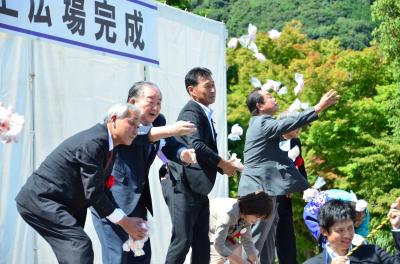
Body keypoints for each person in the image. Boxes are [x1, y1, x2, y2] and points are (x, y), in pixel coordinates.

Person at [15, 103, 147, 264]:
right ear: (114, 119)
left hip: (62, 203)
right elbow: (94, 193)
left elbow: (102, 189)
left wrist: (125, 220)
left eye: (138, 126)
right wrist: (125, 222)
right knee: (79, 247)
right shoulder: (95, 142)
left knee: (75, 251)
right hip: (41, 200)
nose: (136, 130)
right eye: (132, 123)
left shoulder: (110, 144)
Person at [92, 81, 197, 264]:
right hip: (112, 199)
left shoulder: (159, 122)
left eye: (159, 102)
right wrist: (170, 129)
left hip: (139, 201)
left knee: (140, 256)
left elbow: (168, 143)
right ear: (133, 101)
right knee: (117, 257)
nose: (155, 108)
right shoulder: (118, 119)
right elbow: (138, 137)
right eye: (150, 101)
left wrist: (183, 153)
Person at [238, 88, 339, 263]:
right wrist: (318, 107)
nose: (275, 99)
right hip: (258, 192)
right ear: (260, 105)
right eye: (270, 97)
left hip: (267, 192)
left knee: (267, 246)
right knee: (253, 244)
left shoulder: (263, 124)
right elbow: (289, 123)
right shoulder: (262, 123)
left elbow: (279, 154)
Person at [162, 67, 239, 264]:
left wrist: (224, 167)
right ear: (192, 90)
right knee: (183, 240)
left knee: (202, 243)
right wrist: (222, 163)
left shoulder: (203, 112)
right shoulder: (191, 111)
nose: (213, 90)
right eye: (207, 86)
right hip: (182, 184)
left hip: (197, 187)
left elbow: (202, 149)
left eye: (214, 85)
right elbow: (195, 144)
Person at [304, 199, 400, 264]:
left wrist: (397, 228)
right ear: (324, 231)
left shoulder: (373, 252)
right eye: (340, 230)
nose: (347, 235)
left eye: (350, 228)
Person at [275, 118, 308, 264]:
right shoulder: (270, 139)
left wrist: (305, 189)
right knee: (266, 236)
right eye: (296, 126)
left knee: (287, 236)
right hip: (268, 192)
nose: (299, 129)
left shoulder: (295, 142)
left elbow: (300, 166)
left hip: (285, 197)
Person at [209, 191, 273, 264]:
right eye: (257, 217)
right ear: (252, 208)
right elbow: (218, 245)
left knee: (237, 248)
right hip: (204, 234)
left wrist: (254, 259)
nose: (256, 221)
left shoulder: (246, 216)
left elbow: (247, 240)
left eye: (260, 219)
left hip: (218, 236)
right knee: (219, 258)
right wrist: (241, 262)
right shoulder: (230, 213)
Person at [303, 189, 370, 251]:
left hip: (337, 202)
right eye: (356, 220)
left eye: (361, 220)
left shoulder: (364, 212)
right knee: (328, 238)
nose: (358, 223)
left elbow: (362, 233)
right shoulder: (337, 209)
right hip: (315, 211)